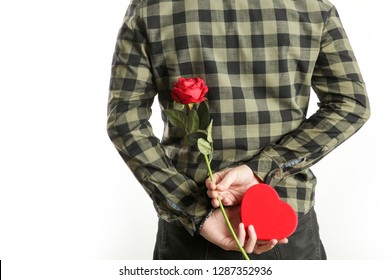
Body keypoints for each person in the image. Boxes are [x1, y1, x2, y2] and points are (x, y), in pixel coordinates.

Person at [107, 0, 370, 260]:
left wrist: (195, 211)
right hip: (283, 219)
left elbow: (124, 121)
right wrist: (265, 167)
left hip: (194, 230)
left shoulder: (151, 8)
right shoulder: (312, 7)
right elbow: (350, 104)